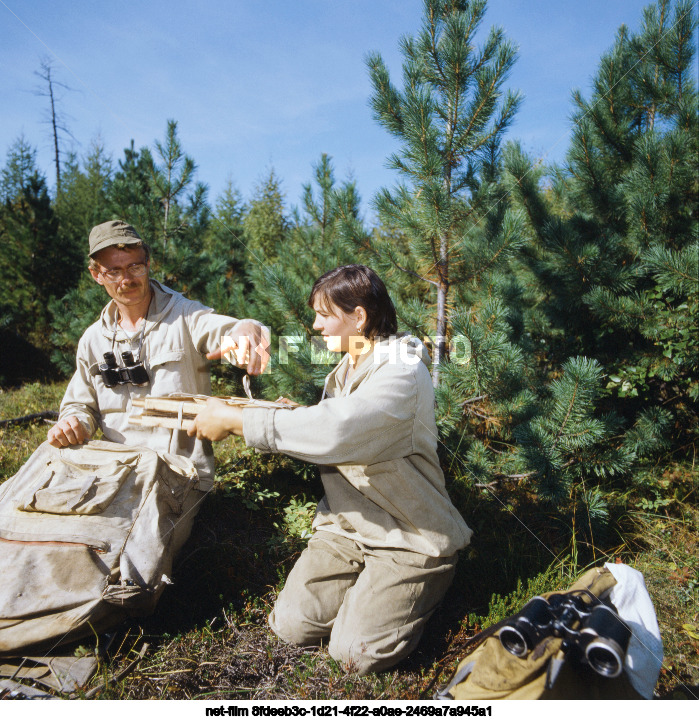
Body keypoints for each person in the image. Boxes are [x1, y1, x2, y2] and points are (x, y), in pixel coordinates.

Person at [188, 264, 472, 675]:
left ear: (358, 317)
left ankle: (427, 580)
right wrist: (285, 415)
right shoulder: (351, 367)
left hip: (408, 534)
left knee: (353, 654)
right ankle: (365, 592)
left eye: (324, 314)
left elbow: (341, 429)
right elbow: (336, 420)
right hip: (348, 526)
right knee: (291, 625)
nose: (315, 325)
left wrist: (238, 422)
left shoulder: (402, 372)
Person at [48, 219, 267, 490]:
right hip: (113, 470)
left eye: (134, 267)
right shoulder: (93, 339)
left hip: (179, 474)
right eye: (114, 271)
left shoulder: (186, 316)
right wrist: (74, 423)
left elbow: (228, 330)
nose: (126, 279)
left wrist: (247, 329)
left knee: (128, 532)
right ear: (96, 275)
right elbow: (80, 405)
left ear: (148, 264)